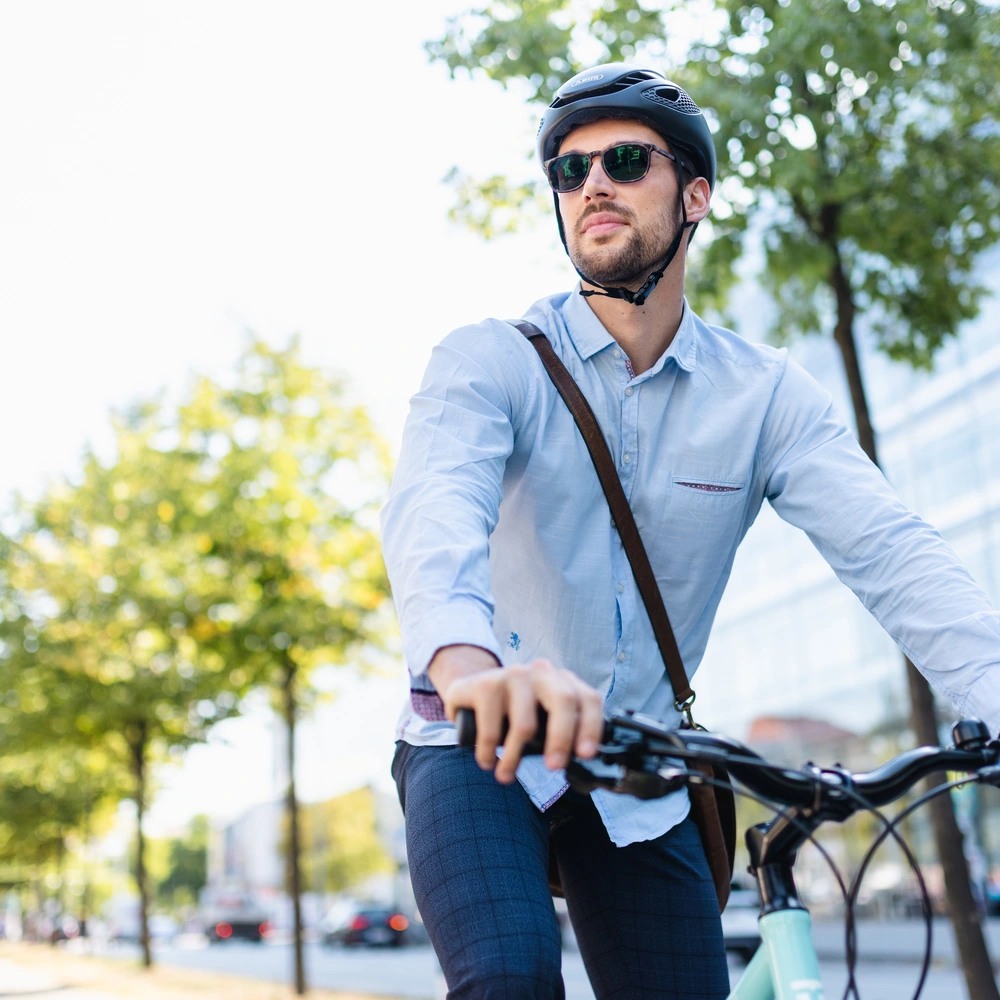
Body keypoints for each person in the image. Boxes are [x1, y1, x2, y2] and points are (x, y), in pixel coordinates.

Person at [380, 63, 1000, 1000]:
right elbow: (435, 513)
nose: (593, 183)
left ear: (695, 194)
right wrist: (471, 669)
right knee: (508, 979)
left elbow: (892, 550)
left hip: (641, 766)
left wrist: (991, 689)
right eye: (569, 169)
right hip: (477, 743)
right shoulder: (490, 361)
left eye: (626, 161)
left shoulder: (766, 396)